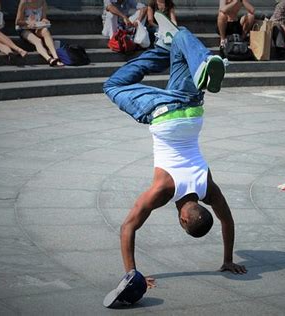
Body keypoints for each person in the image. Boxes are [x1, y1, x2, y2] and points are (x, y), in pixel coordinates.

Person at [103, 12, 247, 288]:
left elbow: (227, 220)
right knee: (113, 85)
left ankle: (190, 57)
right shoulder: (162, 191)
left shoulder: (207, 186)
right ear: (183, 219)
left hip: (192, 110)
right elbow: (127, 227)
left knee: (181, 38)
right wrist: (132, 274)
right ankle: (174, 52)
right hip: (163, 114)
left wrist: (229, 258)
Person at [15, 0, 63, 67]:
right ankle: (49, 59)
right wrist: (28, 22)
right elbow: (18, 21)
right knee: (38, 41)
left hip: (37, 27)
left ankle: (56, 57)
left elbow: (43, 18)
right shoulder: (24, 2)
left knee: (45, 30)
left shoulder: (43, 2)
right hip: (24, 29)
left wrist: (44, 21)